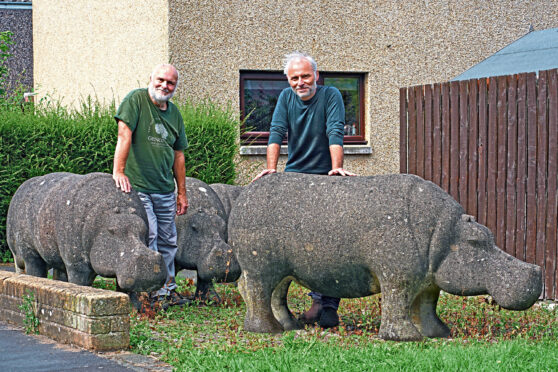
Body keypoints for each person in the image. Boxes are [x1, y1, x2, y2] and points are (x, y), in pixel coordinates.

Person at [253, 52, 356, 328]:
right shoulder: (286, 98)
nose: (300, 82)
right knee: (301, 244)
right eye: (294, 78)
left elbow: (335, 130)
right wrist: (272, 169)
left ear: (316, 76)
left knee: (332, 241)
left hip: (325, 177)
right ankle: (316, 302)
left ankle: (328, 304)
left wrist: (336, 168)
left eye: (305, 76)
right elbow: (276, 132)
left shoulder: (331, 95)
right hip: (296, 176)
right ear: (288, 80)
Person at [113, 63, 189, 308]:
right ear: (151, 79)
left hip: (165, 189)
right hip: (139, 187)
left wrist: (182, 192)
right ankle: (149, 290)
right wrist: (119, 171)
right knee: (151, 236)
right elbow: (124, 135)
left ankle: (167, 290)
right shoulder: (135, 100)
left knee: (169, 240)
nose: (164, 86)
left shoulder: (174, 113)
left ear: (175, 86)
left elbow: (179, 155)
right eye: (160, 80)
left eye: (170, 83)